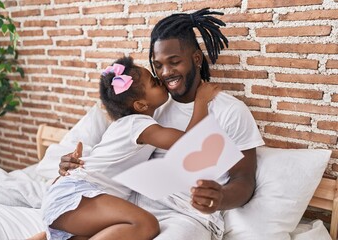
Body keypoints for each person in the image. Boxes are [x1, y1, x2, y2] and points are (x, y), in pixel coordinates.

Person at [57, 8, 264, 240]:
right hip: (130, 208)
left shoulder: (230, 111)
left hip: (187, 215)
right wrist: (74, 164)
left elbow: (244, 179)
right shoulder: (149, 108)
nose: (165, 73)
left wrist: (220, 198)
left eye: (174, 62)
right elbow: (111, 156)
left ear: (196, 58)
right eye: (157, 65)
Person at [40, 56, 220, 240]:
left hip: (70, 193)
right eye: (153, 82)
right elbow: (189, 143)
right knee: (145, 224)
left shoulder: (124, 124)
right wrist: (201, 101)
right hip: (78, 193)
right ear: (141, 105)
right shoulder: (139, 125)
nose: (160, 80)